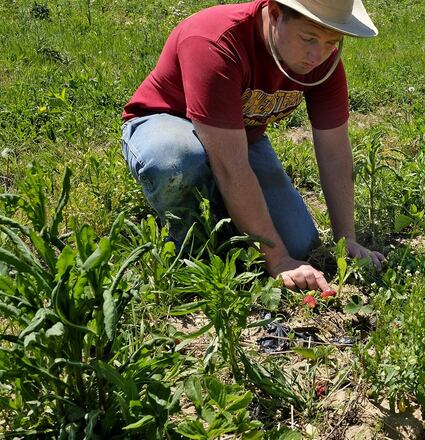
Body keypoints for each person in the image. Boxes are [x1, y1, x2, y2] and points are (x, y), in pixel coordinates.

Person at [120, 0, 385, 292]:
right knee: (174, 162)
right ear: (274, 14)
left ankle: (226, 211)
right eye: (308, 38)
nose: (317, 54)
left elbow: (334, 153)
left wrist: (345, 239)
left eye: (331, 42)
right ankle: (188, 244)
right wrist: (278, 259)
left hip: (240, 135)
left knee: (299, 240)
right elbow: (231, 167)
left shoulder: (323, 64)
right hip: (167, 121)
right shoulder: (216, 41)